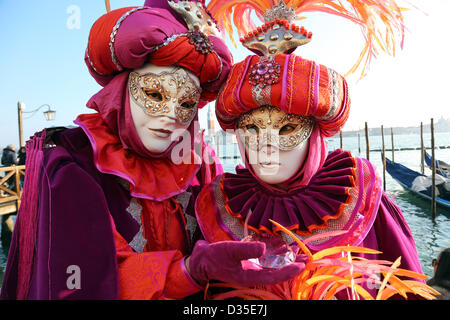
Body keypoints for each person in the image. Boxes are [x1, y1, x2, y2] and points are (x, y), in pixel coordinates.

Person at [1, 0, 304, 300]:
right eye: (154, 93)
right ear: (120, 88)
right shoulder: (74, 162)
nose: (172, 115)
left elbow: (233, 227)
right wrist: (191, 270)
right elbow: (84, 279)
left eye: (186, 103)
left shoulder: (199, 160)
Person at [194, 0, 425, 299]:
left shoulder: (362, 198)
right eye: (251, 128)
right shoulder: (218, 206)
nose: (266, 145)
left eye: (286, 128)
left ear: (315, 134)